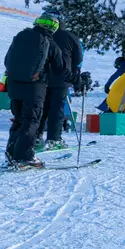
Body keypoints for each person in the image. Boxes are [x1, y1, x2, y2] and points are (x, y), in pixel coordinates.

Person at [3, 14, 63, 168]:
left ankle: (11, 152)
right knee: (31, 121)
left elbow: (7, 60)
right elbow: (60, 69)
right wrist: (78, 79)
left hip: (14, 86)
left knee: (18, 119)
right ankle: (24, 156)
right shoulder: (50, 43)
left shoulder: (21, 37)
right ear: (53, 28)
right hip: (34, 88)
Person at [39, 16, 83, 150]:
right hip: (62, 78)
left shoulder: (41, 35)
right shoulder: (70, 36)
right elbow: (78, 58)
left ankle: (36, 137)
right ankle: (54, 139)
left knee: (42, 108)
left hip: (42, 78)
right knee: (56, 109)